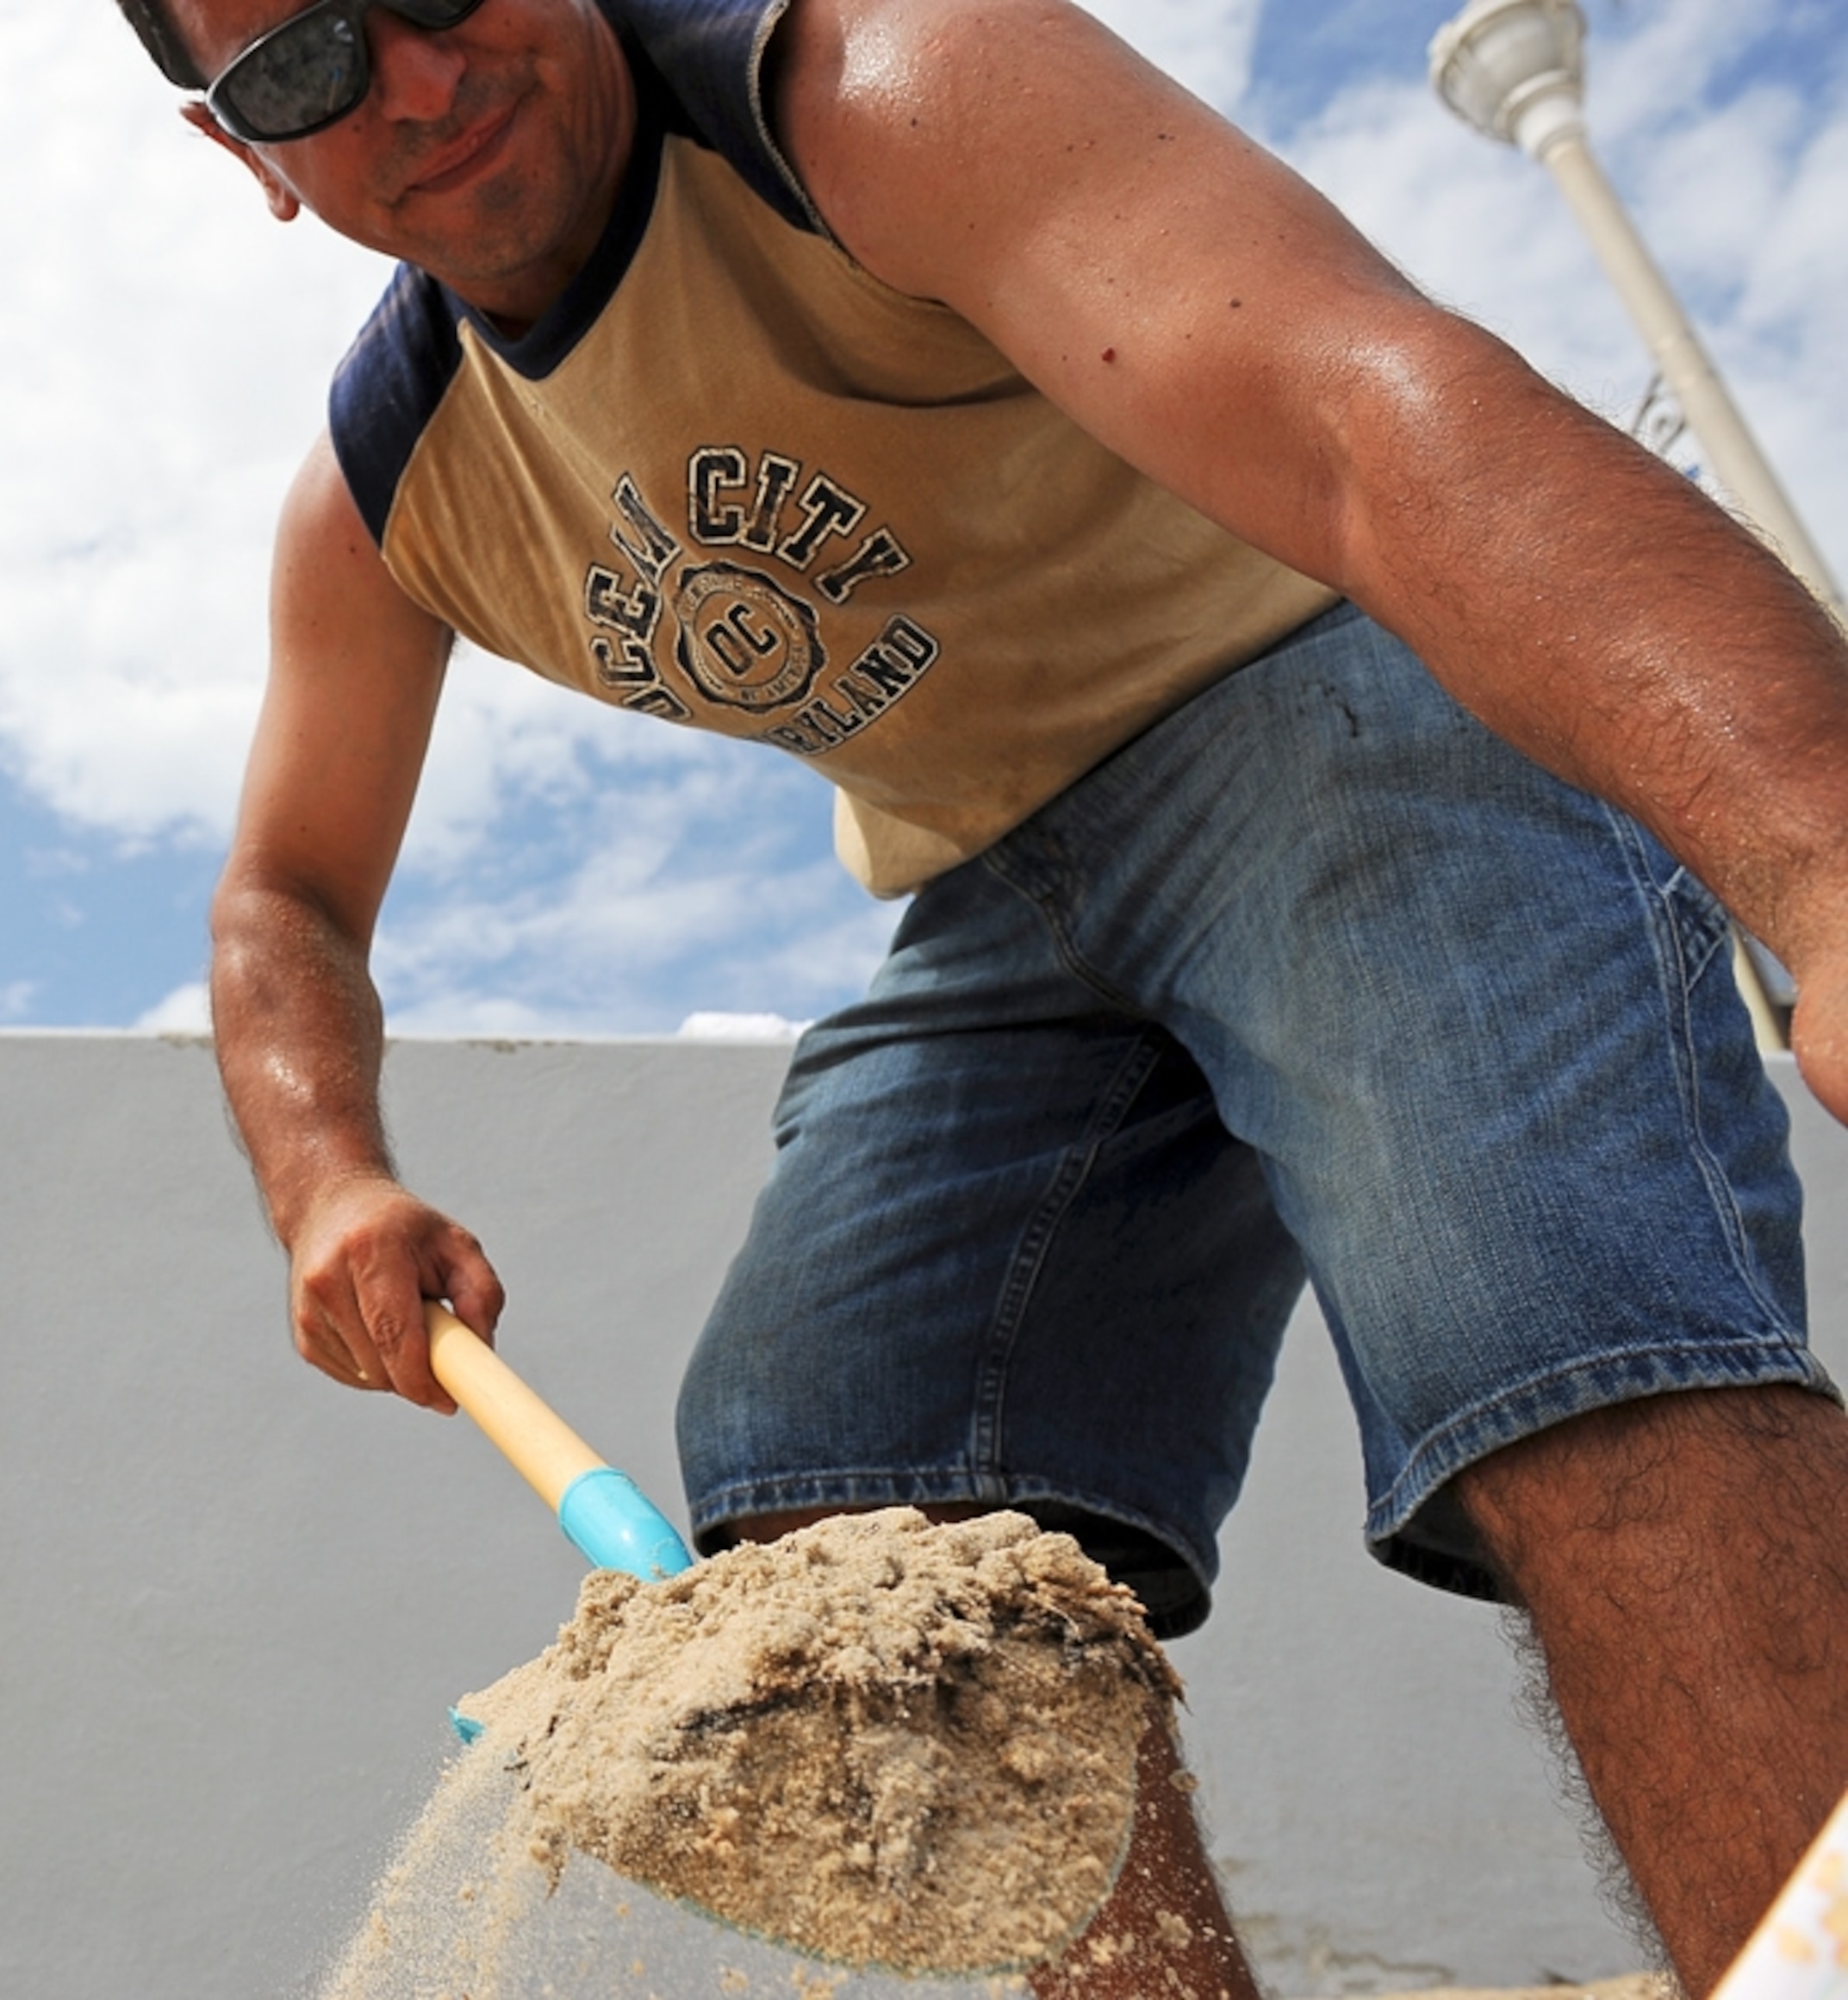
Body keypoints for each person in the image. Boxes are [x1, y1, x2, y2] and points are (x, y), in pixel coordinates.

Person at [121, 0, 1848, 1990]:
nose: (414, 86)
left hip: (1321, 676)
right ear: (243, 146)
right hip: (992, 886)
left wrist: (1813, 850)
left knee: (1543, 1325)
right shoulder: (387, 491)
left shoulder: (861, 89)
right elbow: (283, 889)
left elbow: (1357, 415)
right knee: (837, 1514)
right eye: (306, 72)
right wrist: (322, 1173)